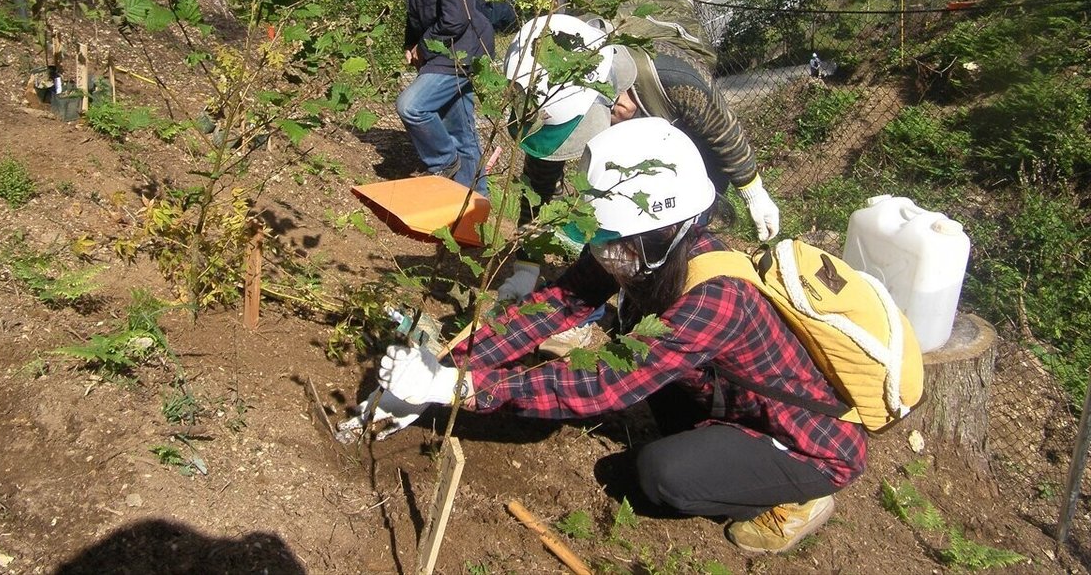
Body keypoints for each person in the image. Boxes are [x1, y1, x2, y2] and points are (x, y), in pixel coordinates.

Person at [355, 118, 866, 554]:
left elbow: (603, 385)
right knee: (645, 363)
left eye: (613, 238)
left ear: (669, 229)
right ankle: (720, 447)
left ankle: (801, 494)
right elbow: (557, 305)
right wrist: (450, 364)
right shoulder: (641, 249)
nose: (602, 251)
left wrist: (458, 390)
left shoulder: (717, 296)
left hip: (806, 441)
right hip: (726, 398)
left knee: (660, 476)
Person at [496, 14, 780, 329]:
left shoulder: (673, 76)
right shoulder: (553, 99)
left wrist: (754, 192)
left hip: (689, 150)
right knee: (607, 226)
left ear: (610, 102)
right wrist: (526, 265)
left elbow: (722, 130)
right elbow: (538, 186)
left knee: (671, 239)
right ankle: (592, 312)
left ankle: (667, 313)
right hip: (634, 145)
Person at [356, 0, 493, 194]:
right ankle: (474, 203)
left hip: (464, 45)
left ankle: (442, 163)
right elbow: (418, 3)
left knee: (412, 106)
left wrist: (424, 43)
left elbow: (458, 13)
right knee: (460, 129)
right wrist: (411, 41)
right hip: (441, 44)